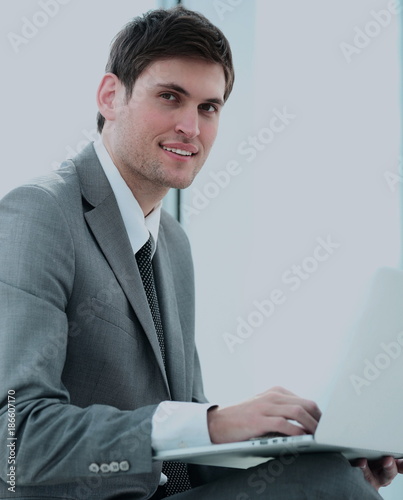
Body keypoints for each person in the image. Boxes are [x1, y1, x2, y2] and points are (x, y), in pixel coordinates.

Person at [0, 6, 401, 499]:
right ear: (110, 96)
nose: (191, 126)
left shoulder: (172, 243)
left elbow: (186, 451)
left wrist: (317, 451)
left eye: (208, 108)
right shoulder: (38, 213)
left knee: (332, 475)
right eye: (170, 97)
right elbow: (15, 442)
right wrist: (213, 423)